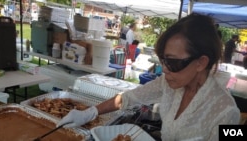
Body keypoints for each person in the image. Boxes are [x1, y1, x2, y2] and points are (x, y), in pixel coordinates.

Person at [57, 13, 240, 140]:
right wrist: (90, 112)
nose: (165, 70)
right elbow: (127, 98)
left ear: (201, 63)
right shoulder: (168, 83)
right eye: (163, 61)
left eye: (173, 62)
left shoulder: (227, 113)